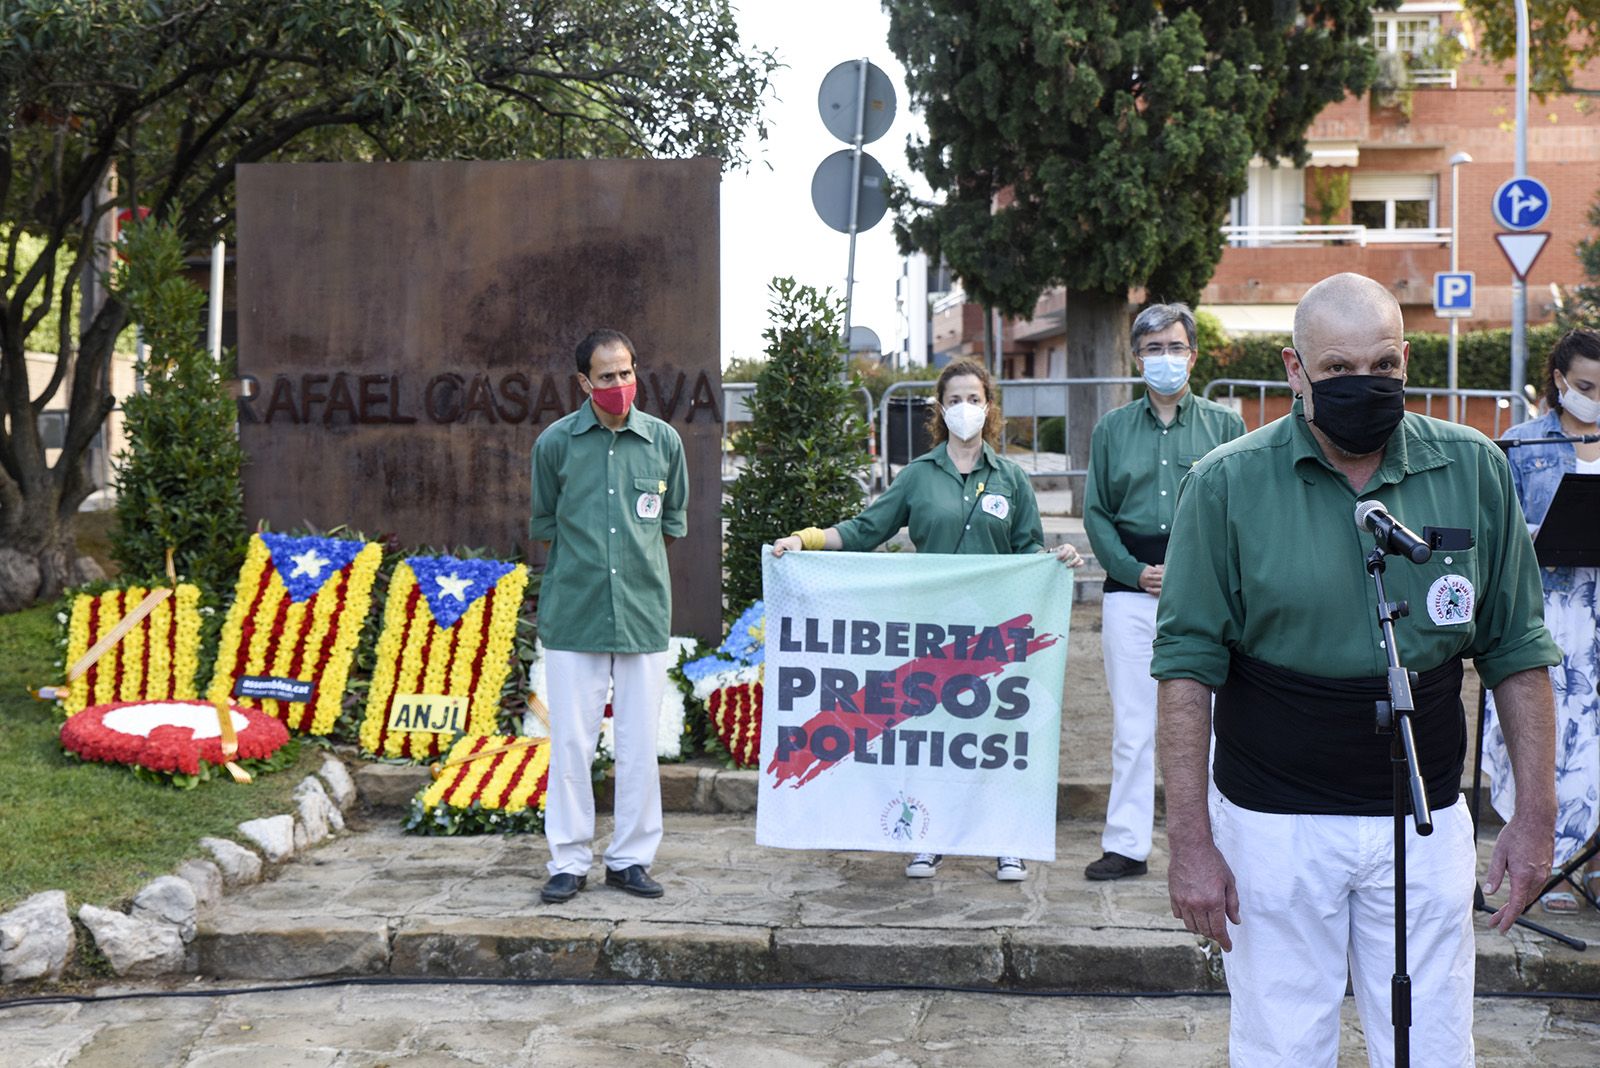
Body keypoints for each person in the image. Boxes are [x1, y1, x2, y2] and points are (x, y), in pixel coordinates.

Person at [1151, 272, 1559, 1065]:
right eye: (1337, 369)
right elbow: (1185, 671)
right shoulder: (1226, 484)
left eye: (1381, 365)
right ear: (1294, 370)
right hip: (1275, 824)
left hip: (1425, 813)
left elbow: (1517, 650)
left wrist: (1533, 814)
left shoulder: (1472, 468)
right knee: (1281, 1043)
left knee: (1431, 1043)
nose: (1362, 385)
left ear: (1406, 361)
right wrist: (1190, 841)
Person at [772, 357, 1083, 882]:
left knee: (995, 736)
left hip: (998, 632)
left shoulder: (1011, 478)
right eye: (955, 399)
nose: (966, 408)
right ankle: (927, 836)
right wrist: (804, 541)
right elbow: (867, 529)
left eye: (975, 398)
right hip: (934, 630)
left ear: (990, 407)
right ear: (940, 409)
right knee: (936, 736)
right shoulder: (918, 476)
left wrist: (1060, 561)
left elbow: (1030, 550)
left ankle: (1005, 839)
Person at [1082, 303, 1245, 882]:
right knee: (1133, 726)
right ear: (1137, 359)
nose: (1165, 360)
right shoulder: (1111, 429)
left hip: (1202, 594)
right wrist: (1132, 570)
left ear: (1193, 356)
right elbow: (1097, 512)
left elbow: (1239, 510)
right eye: (1153, 350)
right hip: (1131, 591)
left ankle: (1218, 839)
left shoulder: (1225, 428)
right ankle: (1126, 845)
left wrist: (1194, 574)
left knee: (1212, 721)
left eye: (1175, 348)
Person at [531, 328, 688, 904]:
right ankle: (568, 862)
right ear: (583, 382)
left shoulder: (665, 442)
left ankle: (630, 859)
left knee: (639, 741)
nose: (619, 384)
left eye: (626, 372)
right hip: (575, 614)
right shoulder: (555, 444)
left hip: (643, 614)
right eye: (606, 376)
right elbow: (546, 524)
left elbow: (670, 526)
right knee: (571, 742)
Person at [1481, 327, 1600, 912]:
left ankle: (1593, 865)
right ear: (1558, 381)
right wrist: (1539, 534)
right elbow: (1496, 530)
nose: (1595, 398)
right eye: (1585, 386)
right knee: (1547, 735)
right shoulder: (1520, 444)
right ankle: (1546, 862)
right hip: (1548, 612)